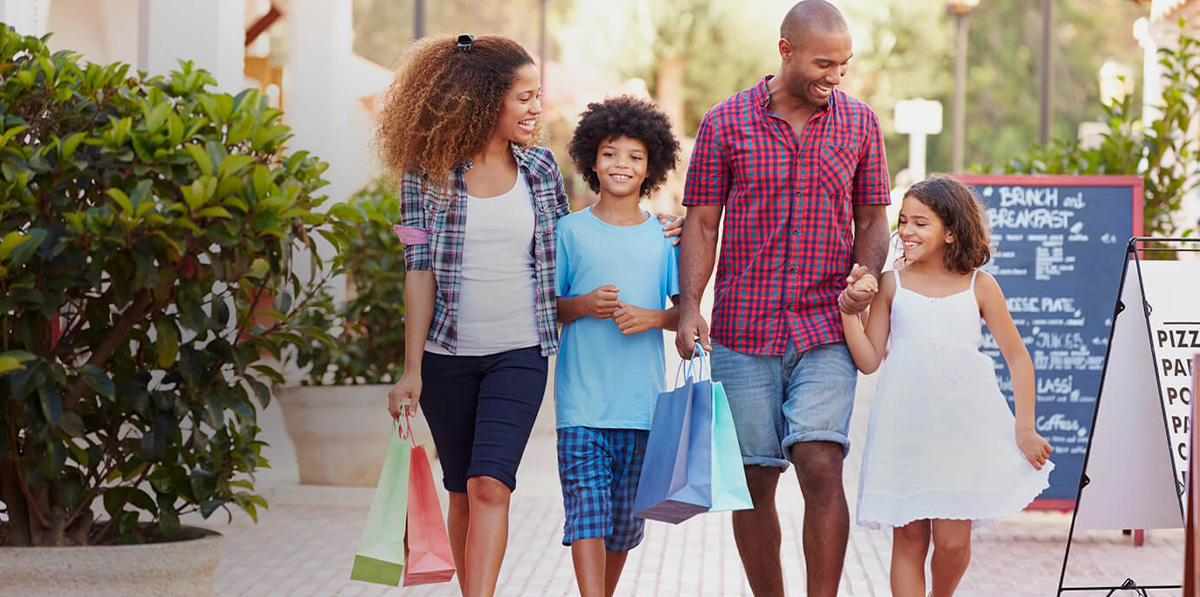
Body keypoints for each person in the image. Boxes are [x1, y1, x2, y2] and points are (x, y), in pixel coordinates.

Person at [378, 35, 679, 597]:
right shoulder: (422, 175)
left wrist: (658, 229)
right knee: (463, 492)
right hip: (446, 357)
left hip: (520, 354)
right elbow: (416, 268)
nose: (537, 108)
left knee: (492, 485)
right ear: (484, 99)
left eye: (537, 95)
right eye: (525, 97)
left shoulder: (540, 168)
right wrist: (411, 368)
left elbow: (582, 241)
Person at [674, 1, 891, 596]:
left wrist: (866, 275)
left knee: (822, 463)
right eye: (825, 63)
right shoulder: (726, 122)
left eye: (844, 65)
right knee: (754, 478)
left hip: (826, 324)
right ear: (786, 50)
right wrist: (690, 304)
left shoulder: (860, 123)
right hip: (745, 330)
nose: (836, 76)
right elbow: (701, 222)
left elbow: (873, 216)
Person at [840, 175, 1053, 597]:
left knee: (953, 544)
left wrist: (1024, 428)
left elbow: (1018, 358)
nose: (906, 231)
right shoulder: (891, 284)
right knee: (910, 538)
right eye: (903, 221)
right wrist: (850, 312)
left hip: (962, 429)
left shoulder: (981, 285)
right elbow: (868, 361)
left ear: (951, 230)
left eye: (921, 222)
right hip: (903, 428)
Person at [554, 96, 682, 597]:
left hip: (642, 407)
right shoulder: (569, 231)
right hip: (581, 405)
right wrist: (583, 304)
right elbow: (549, 308)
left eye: (634, 156)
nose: (621, 165)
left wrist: (655, 318)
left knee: (624, 527)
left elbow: (686, 316)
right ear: (591, 161)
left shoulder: (665, 236)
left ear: (651, 166)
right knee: (585, 515)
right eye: (610, 153)